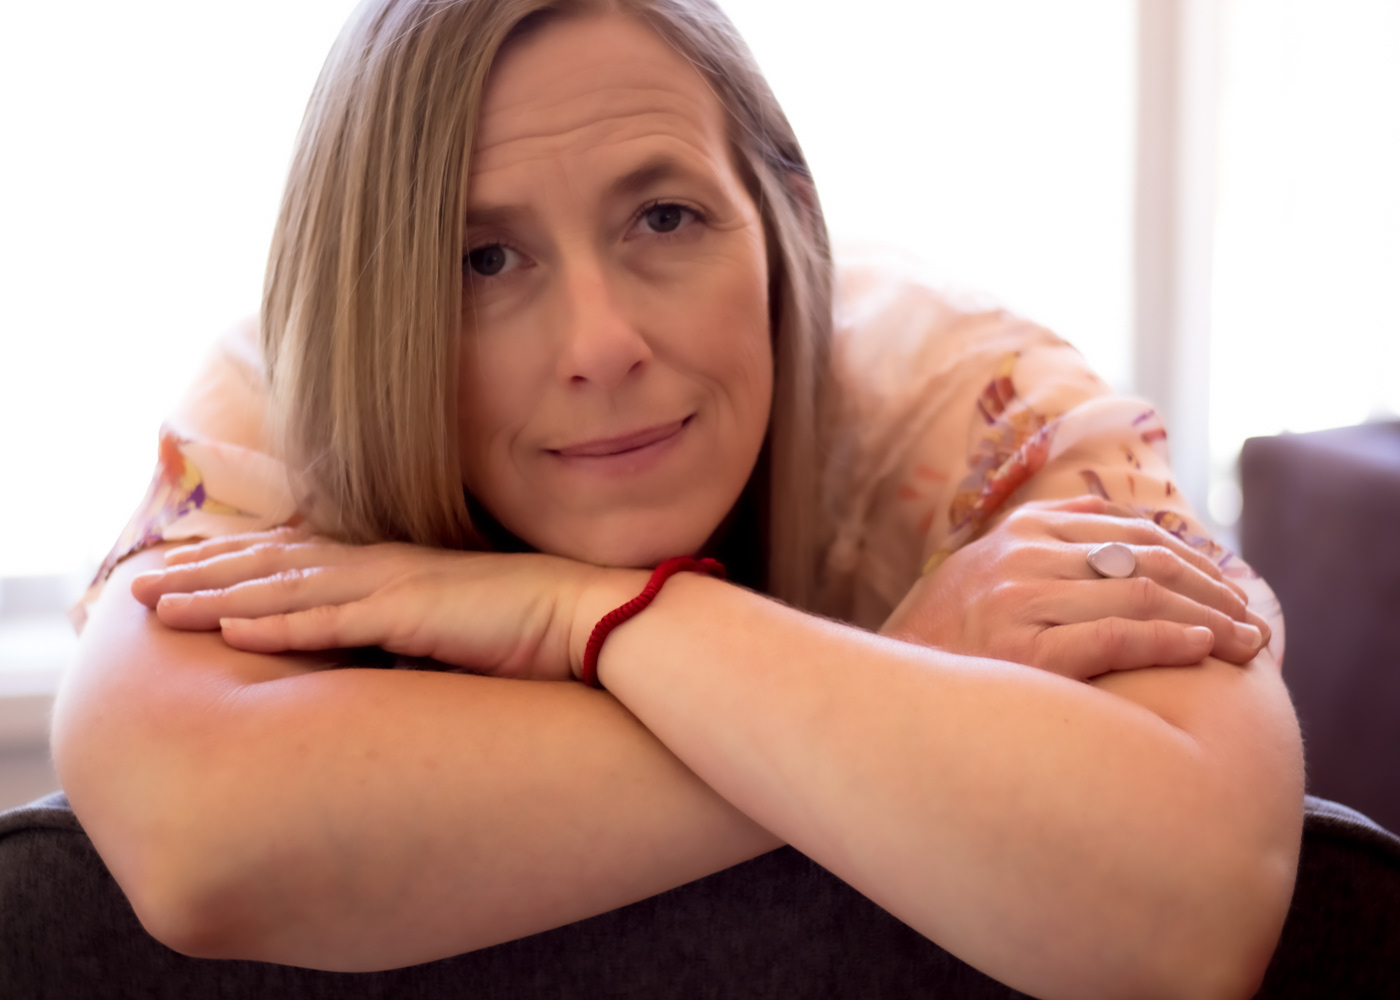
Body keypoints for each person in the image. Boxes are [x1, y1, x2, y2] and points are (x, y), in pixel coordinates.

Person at [51, 1, 1302, 997]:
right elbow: (194, 834)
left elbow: (1190, 909)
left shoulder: (955, 386)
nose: (600, 344)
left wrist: (572, 614)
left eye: (664, 215)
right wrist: (896, 665)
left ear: (784, 219)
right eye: (483, 258)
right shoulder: (292, 399)